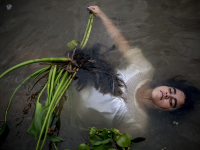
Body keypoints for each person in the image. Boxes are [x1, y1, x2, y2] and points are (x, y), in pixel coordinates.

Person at [65, 6, 199, 138]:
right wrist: (101, 15)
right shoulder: (144, 68)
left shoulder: (138, 125)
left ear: (164, 111)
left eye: (172, 102)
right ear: (168, 85)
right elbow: (120, 41)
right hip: (71, 74)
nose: (168, 95)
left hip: (66, 108)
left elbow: (107, 141)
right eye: (172, 91)